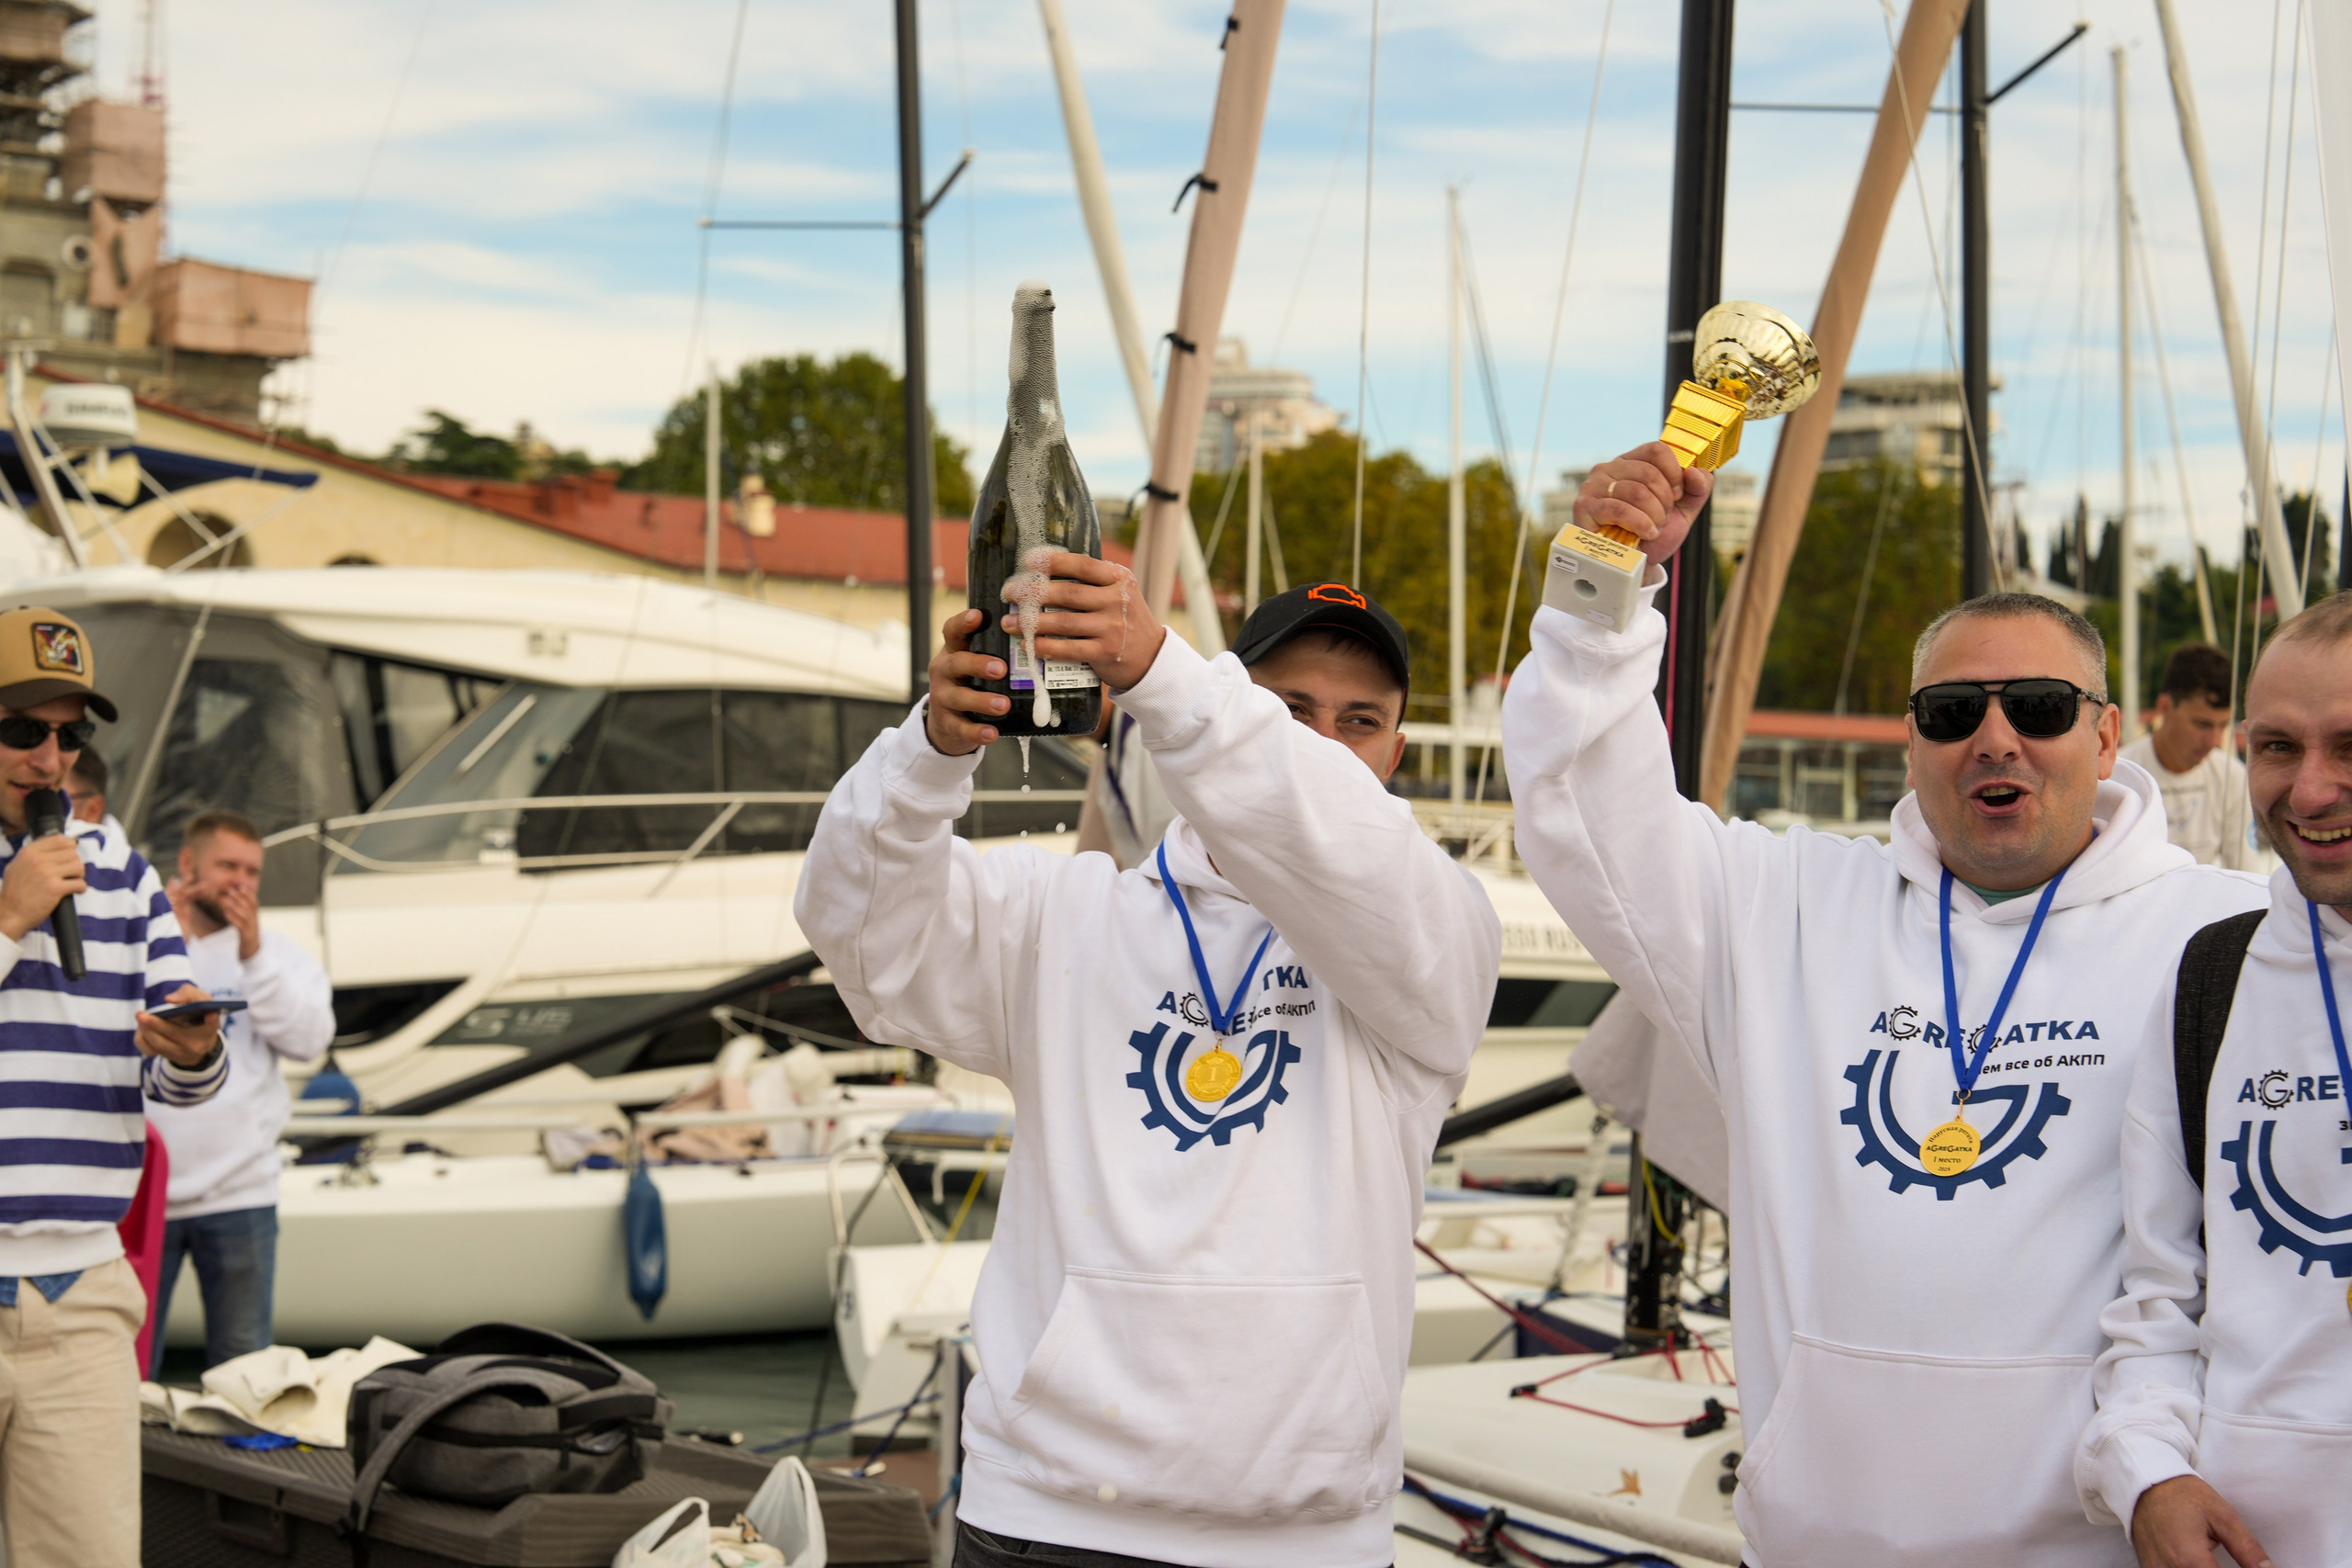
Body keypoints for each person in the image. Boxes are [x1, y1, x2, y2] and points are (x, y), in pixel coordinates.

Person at [1501, 444, 2268, 1567]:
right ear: (1913, 745)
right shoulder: (1784, 908)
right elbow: (1579, 808)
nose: (1995, 738)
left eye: (2039, 707)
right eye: (1952, 711)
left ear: (2105, 737)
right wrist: (1605, 581)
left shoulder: (2230, 936)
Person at [797, 567, 1499, 1568]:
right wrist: (929, 753)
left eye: (1359, 721)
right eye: (1288, 710)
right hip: (1047, 1517)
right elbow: (861, 931)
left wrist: (1167, 674)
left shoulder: (1436, 936)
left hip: (1309, 1538)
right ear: (1229, 716)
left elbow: (1342, 844)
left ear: (1394, 755)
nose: (1318, 744)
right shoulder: (1062, 916)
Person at [2076, 591, 2352, 1568]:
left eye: (2350, 747)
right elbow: (2159, 1297)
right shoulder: (2211, 981)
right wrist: (2149, 1472)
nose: (2308, 792)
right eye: (2276, 747)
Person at [0, 605, 226, 1568]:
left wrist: (193, 1051)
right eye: (23, 729)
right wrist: (9, 916)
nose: (50, 758)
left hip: (86, 1295)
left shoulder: (128, 881)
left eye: (69, 736)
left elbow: (178, 1080)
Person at [147, 808, 334, 1373]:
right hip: (144, 1194)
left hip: (241, 1193)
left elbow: (310, 1042)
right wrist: (163, 944)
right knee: (129, 1367)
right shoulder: (143, 943)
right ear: (188, 864)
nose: (241, 883)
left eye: (252, 872)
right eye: (227, 866)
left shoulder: (278, 954)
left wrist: (253, 956)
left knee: (245, 1372)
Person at [2119, 643, 2261, 870]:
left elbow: (2247, 871)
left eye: (2223, 725)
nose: (2214, 741)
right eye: (2202, 724)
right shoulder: (2119, 774)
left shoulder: (2232, 776)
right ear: (2165, 707)